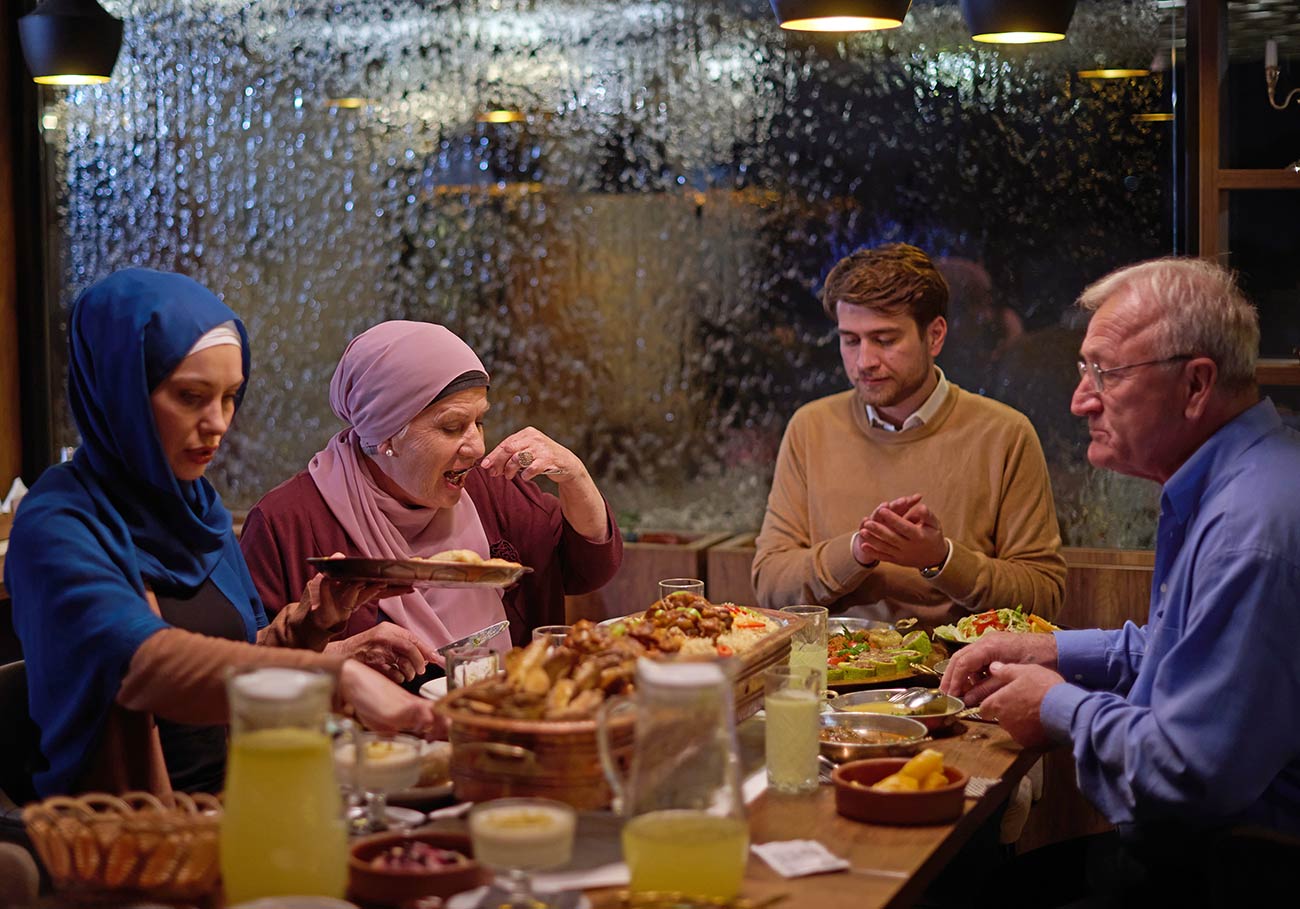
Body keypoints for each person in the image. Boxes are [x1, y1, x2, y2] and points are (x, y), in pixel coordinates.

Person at [941, 257, 1300, 902]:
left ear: (1195, 385)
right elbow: (1184, 651)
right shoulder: (1239, 478)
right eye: (1085, 370)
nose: (1081, 398)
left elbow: (1187, 772)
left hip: (1234, 873)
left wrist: (1053, 706)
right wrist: (1049, 650)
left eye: (1105, 373)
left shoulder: (1251, 530)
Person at [4, 269, 437, 798]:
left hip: (239, 795)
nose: (218, 423)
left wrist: (312, 627)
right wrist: (335, 681)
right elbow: (142, 663)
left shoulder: (198, 511)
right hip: (128, 832)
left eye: (230, 396)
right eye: (190, 396)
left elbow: (241, 650)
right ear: (119, 391)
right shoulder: (58, 523)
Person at [240, 320, 623, 668]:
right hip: (368, 741)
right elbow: (243, 667)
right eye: (453, 427)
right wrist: (339, 657)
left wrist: (575, 476)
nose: (475, 447)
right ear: (387, 434)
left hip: (504, 718)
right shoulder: (286, 522)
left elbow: (586, 568)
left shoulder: (491, 489)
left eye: (480, 421)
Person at [752, 243, 1065, 626]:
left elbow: (1044, 596)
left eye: (885, 340)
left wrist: (941, 558)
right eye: (850, 340)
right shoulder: (810, 426)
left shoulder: (1005, 434)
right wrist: (858, 550)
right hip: (830, 668)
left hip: (958, 674)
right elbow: (769, 584)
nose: (864, 361)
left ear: (934, 336)